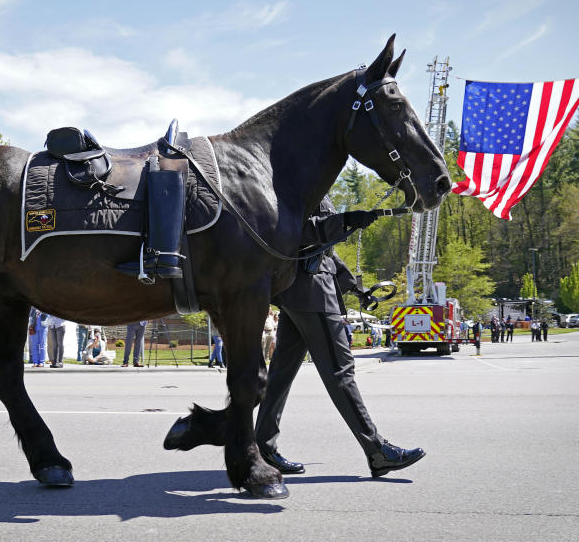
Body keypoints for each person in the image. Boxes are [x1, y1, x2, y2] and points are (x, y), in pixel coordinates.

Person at [166, 198, 424, 478]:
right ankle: (378, 451)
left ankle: (263, 447)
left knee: (279, 377)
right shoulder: (297, 181)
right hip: (311, 294)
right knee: (341, 373)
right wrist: (344, 221)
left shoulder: (317, 186)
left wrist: (356, 290)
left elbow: (327, 254)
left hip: (305, 293)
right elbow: (295, 233)